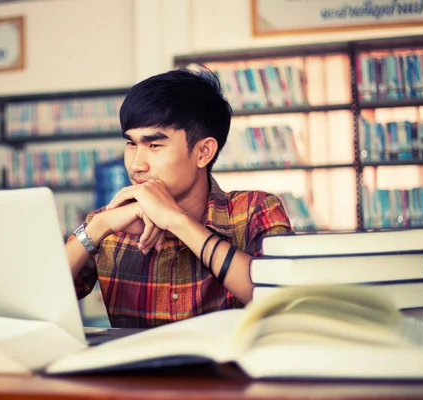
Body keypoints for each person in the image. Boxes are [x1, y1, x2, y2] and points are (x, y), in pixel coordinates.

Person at [65, 67, 292, 328]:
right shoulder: (110, 221)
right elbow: (37, 299)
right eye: (131, 144)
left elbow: (281, 302)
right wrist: (99, 227)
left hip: (230, 369)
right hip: (136, 369)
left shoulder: (255, 210)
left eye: (154, 145)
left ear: (203, 152)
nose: (137, 164)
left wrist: (176, 221)